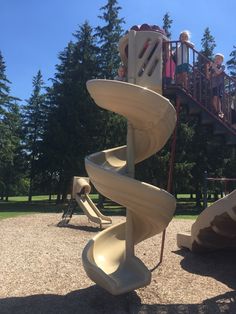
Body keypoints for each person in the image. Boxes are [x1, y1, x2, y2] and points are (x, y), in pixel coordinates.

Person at [206, 53, 225, 118]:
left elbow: (218, 72)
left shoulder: (222, 66)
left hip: (219, 85)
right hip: (213, 86)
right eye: (216, 59)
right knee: (214, 100)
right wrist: (207, 68)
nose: (216, 60)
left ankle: (220, 111)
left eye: (219, 59)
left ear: (222, 61)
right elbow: (208, 77)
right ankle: (218, 112)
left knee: (217, 98)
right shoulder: (213, 68)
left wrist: (214, 67)